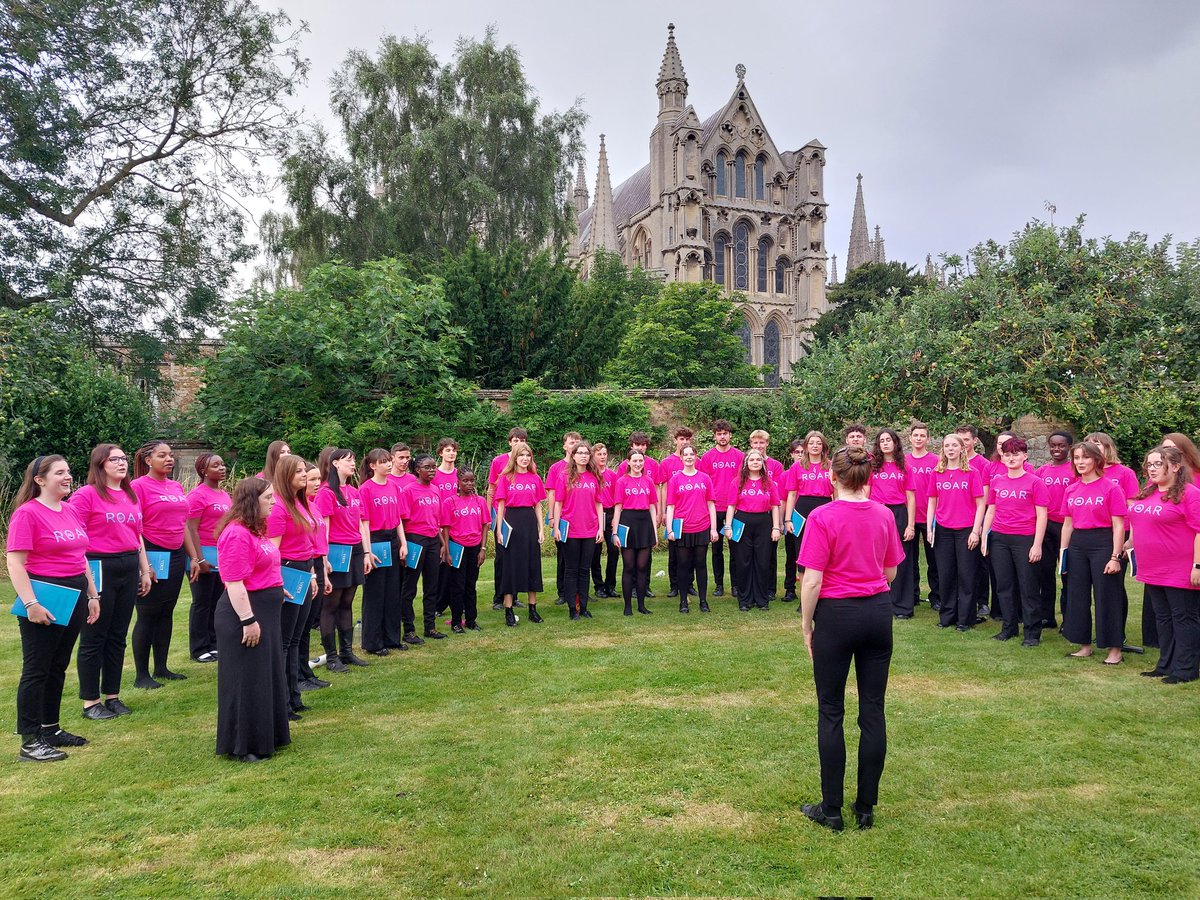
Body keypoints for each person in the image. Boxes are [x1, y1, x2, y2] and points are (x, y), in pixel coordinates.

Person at [798, 446, 905, 832]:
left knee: (831, 710)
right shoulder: (883, 514)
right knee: (873, 710)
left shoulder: (822, 516)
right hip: (877, 612)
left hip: (837, 615)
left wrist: (807, 624)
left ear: (833, 477)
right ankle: (865, 807)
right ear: (868, 478)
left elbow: (812, 579)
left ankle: (831, 810)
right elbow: (891, 571)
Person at [8, 455, 101, 761]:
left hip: (74, 592)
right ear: (39, 480)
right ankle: (30, 741)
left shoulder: (70, 509)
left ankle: (51, 728)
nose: (68, 476)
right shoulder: (28, 514)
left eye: (68, 472)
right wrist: (31, 603)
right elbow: (15, 563)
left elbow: (81, 556)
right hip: (45, 593)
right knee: (36, 669)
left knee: (58, 665)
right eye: (60, 473)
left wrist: (92, 594)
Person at [72, 444, 152, 720]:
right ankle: (90, 701)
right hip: (98, 565)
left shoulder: (130, 495)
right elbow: (75, 538)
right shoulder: (86, 495)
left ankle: (112, 695)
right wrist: (88, 581)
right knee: (95, 634)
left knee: (118, 635)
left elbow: (137, 535)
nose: (122, 463)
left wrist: (144, 570)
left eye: (123, 458)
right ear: (100, 464)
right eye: (114, 459)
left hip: (128, 564)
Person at [213, 477, 290, 762]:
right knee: (246, 680)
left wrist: (275, 583)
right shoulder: (236, 534)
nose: (273, 502)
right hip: (243, 615)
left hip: (265, 610)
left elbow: (261, 565)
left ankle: (268, 735)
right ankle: (243, 745)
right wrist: (248, 620)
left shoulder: (255, 530)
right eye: (268, 497)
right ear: (251, 501)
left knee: (264, 676)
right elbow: (234, 582)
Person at [1126, 445, 1200, 683]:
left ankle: (1186, 669)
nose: (1152, 469)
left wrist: (1197, 566)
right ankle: (1165, 664)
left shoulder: (1190, 493)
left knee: (1183, 618)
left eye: (1158, 464)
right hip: (1152, 567)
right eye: (1149, 464)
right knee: (1163, 618)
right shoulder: (1149, 490)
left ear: (1176, 466)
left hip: (1179, 568)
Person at [130, 440, 199, 689]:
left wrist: (193, 557)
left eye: (170, 455)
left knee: (166, 612)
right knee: (147, 613)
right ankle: (141, 675)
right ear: (148, 460)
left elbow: (183, 525)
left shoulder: (176, 486)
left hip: (176, 554)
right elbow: (134, 528)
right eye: (162, 455)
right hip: (151, 553)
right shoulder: (137, 487)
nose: (169, 459)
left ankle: (161, 667)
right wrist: (144, 564)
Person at [1061, 441, 1127, 665]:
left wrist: (1115, 556)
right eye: (1077, 458)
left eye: (1085, 457)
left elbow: (1119, 525)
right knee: (1077, 595)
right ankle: (1083, 645)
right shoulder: (1071, 488)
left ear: (1097, 460)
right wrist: (1064, 552)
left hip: (1102, 542)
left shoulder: (1111, 488)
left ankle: (1114, 650)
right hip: (1078, 543)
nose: (1080, 462)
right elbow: (1067, 524)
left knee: (1107, 596)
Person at [267, 455, 320, 720]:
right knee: (285, 641)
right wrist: (279, 583)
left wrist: (311, 574)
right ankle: (283, 703)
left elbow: (307, 545)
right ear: (286, 475)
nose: (304, 475)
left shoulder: (301, 503)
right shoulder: (278, 507)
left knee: (297, 637)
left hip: (303, 569)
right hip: (286, 571)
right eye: (299, 472)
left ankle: (294, 696)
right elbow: (272, 550)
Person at [981, 438, 1049, 645]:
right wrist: (985, 536)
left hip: (1025, 539)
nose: (1011, 458)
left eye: (1016, 454)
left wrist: (1037, 544)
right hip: (1000, 538)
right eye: (1007, 454)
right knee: (1004, 585)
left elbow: (1042, 515)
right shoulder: (997, 481)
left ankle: (1031, 633)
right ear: (1002, 456)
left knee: (1028, 587)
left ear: (1025, 456)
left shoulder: (1035, 482)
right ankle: (1008, 628)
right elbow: (991, 509)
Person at [313, 449, 373, 672]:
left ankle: (347, 652)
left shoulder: (355, 492)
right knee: (331, 604)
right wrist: (324, 558)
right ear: (335, 463)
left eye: (354, 460)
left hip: (355, 550)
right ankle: (331, 656)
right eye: (349, 460)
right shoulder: (326, 493)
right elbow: (323, 528)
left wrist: (366, 553)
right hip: (336, 552)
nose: (353, 464)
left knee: (347, 601)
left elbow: (360, 524)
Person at [1085, 431, 1146, 647]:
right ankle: (1100, 631)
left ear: (1107, 447)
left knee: (1114, 586)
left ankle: (1117, 633)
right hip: (1092, 535)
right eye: (1089, 444)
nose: (1093, 447)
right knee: (1095, 586)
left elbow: (1133, 507)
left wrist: (1132, 539)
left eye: (1097, 444)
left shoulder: (1124, 473)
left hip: (1119, 532)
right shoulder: (1085, 471)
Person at [928, 434, 986, 631]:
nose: (950, 449)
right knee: (946, 574)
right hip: (943, 530)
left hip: (966, 530)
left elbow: (981, 504)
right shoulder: (937, 472)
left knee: (967, 575)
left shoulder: (972, 472)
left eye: (954, 445)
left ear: (962, 448)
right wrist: (930, 527)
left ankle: (965, 619)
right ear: (943, 449)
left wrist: (976, 531)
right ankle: (947, 616)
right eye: (947, 446)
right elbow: (932, 502)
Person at [357, 449, 407, 655]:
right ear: (372, 465)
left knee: (393, 591)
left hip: (392, 540)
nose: (388, 464)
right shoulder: (366, 489)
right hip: (375, 540)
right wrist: (367, 552)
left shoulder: (394, 487)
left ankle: (392, 637)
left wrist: (403, 543)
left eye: (389, 461)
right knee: (376, 593)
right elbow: (364, 523)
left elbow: (398, 519)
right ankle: (373, 642)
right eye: (383, 461)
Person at [494, 442, 547, 625]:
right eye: (521, 455)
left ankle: (533, 609)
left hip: (529, 521)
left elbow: (538, 505)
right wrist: (500, 528)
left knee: (532, 565)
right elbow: (500, 505)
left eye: (528, 455)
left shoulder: (535, 478)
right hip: (512, 522)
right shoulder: (506, 478)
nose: (525, 459)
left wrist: (541, 528)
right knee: (510, 566)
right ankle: (508, 610)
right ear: (514, 457)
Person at [551, 441, 605, 621]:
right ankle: (572, 609)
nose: (583, 455)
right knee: (571, 570)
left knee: (584, 570)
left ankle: (583, 607)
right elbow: (558, 503)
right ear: (573, 456)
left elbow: (599, 503)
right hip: (571, 530)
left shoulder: (594, 477)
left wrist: (601, 529)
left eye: (586, 453)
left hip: (590, 530)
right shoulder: (564, 476)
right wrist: (557, 527)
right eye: (579, 452)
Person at [186, 453, 231, 663]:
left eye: (222, 464)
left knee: (216, 601)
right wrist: (199, 558)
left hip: (221, 554)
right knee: (201, 602)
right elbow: (191, 528)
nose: (222, 468)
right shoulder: (197, 495)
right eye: (216, 465)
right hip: (203, 554)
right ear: (203, 470)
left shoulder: (224, 494)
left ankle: (213, 643)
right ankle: (199, 647)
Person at [724, 449, 781, 611]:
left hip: (763, 522)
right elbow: (731, 506)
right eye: (752, 460)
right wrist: (728, 526)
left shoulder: (769, 483)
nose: (755, 462)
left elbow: (775, 506)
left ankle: (762, 599)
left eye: (758, 460)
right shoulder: (737, 482)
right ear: (746, 463)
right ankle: (745, 599)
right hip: (742, 521)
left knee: (762, 562)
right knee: (744, 562)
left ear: (763, 463)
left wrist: (776, 527)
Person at [869, 429, 916, 618]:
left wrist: (910, 525)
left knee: (901, 560)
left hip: (899, 513)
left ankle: (903, 607)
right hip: (876, 512)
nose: (885, 443)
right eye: (882, 440)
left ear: (895, 443)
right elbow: (866, 491)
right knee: (875, 558)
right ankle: (877, 601)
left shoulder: (905, 466)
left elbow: (910, 498)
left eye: (889, 440)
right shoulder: (872, 467)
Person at [666, 445, 718, 614]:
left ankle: (703, 601)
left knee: (701, 565)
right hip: (683, 529)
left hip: (702, 527)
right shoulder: (675, 479)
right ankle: (683, 602)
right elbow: (671, 506)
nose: (688, 457)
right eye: (685, 454)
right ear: (681, 458)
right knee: (683, 565)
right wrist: (670, 529)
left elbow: (711, 505)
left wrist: (714, 529)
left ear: (696, 456)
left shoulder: (705, 478)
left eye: (691, 454)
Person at [783, 431, 833, 607]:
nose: (814, 446)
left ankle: (825, 595)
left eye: (818, 443)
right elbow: (791, 495)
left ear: (823, 446)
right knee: (803, 555)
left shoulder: (830, 466)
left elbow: (836, 493)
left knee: (826, 554)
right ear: (806, 446)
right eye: (811, 443)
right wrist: (788, 519)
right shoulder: (797, 467)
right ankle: (805, 600)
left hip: (825, 509)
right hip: (801, 511)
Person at [399, 454, 445, 641]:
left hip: (433, 540)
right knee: (409, 587)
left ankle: (430, 627)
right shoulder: (408, 490)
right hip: (415, 540)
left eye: (434, 467)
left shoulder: (435, 490)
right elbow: (401, 520)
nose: (432, 470)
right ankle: (408, 629)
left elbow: (438, 520)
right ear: (417, 469)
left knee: (431, 585)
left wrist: (442, 543)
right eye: (427, 467)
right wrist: (404, 545)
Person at [439, 468, 491, 633]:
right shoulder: (449, 502)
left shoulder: (480, 501)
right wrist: (447, 550)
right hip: (457, 547)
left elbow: (485, 526)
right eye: (465, 481)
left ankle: (471, 620)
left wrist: (483, 549)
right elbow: (445, 528)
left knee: (471, 586)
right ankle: (456, 622)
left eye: (472, 481)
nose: (469, 484)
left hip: (475, 547)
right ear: (458, 483)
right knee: (457, 586)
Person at [485, 428, 530, 610]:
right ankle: (498, 597)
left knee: (517, 558)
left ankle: (514, 595)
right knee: (502, 558)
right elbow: (491, 489)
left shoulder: (527, 461)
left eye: (522, 439)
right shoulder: (498, 461)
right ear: (509, 442)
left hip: (519, 517)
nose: (518, 442)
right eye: (515, 440)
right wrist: (488, 516)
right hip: (501, 515)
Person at [700, 419, 744, 599]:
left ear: (730, 435)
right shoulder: (707, 457)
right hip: (715, 508)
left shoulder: (740, 456)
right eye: (719, 434)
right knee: (716, 548)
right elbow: (704, 483)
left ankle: (735, 584)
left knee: (736, 548)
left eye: (725, 433)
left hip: (735, 508)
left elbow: (743, 481)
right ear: (714, 436)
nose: (722, 436)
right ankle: (719, 584)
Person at [1035, 431, 1075, 629]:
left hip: (1067, 526)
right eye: (1053, 445)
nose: (1057, 449)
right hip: (1046, 526)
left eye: (1061, 445)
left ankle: (1068, 619)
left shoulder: (1075, 471)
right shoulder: (1042, 471)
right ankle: (1047, 616)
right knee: (1045, 572)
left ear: (1069, 447)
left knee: (1067, 573)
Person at [612, 449, 659, 615]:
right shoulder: (621, 482)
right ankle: (627, 606)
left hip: (645, 524)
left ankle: (641, 605)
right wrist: (615, 532)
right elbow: (617, 508)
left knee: (642, 566)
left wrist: (654, 530)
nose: (638, 464)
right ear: (628, 462)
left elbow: (653, 507)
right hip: (627, 523)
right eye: (635, 461)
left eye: (641, 461)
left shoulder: (648, 481)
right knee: (629, 566)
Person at [299, 462, 331, 690]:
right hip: (305, 566)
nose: (317, 484)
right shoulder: (297, 508)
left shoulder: (313, 507)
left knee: (308, 621)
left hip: (318, 564)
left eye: (318, 479)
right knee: (298, 627)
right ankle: (297, 675)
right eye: (311, 480)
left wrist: (324, 569)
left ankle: (304, 670)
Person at [905, 423, 940, 612]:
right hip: (909, 517)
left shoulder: (936, 461)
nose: (918, 438)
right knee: (909, 560)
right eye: (915, 435)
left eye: (922, 436)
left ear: (927, 439)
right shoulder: (903, 460)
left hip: (930, 517)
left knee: (934, 559)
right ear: (910, 438)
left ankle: (937, 597)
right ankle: (912, 595)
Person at [546, 432, 582, 605]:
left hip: (581, 522)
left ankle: (580, 592)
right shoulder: (556, 468)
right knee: (564, 557)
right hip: (564, 520)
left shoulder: (586, 467)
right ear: (565, 446)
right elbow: (552, 494)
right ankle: (563, 591)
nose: (574, 444)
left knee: (582, 560)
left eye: (577, 442)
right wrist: (552, 517)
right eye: (571, 442)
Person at [658, 427, 693, 598]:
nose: (684, 442)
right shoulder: (667, 463)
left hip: (692, 514)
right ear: (675, 440)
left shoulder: (695, 460)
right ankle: (674, 585)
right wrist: (664, 512)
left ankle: (690, 584)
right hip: (675, 514)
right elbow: (664, 488)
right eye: (681, 439)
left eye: (687, 439)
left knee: (692, 552)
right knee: (674, 552)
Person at [589, 442, 621, 600]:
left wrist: (615, 518)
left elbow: (617, 500)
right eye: (599, 454)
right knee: (595, 552)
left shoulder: (613, 475)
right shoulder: (589, 475)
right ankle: (598, 585)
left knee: (614, 550)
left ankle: (610, 585)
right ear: (593, 457)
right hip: (594, 515)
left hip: (610, 514)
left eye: (604, 454)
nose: (602, 457)